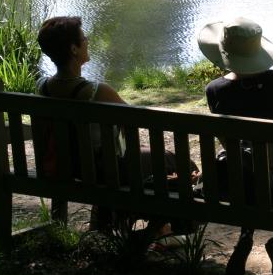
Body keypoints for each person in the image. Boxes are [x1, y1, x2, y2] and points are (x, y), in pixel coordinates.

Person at [36, 16, 196, 236]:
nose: (88, 41)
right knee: (181, 163)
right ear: (73, 49)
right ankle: (166, 230)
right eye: (84, 38)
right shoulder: (97, 91)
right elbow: (135, 121)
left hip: (65, 167)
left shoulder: (42, 87)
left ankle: (119, 224)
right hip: (102, 170)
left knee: (143, 161)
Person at [198, 16, 273, 275]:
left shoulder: (214, 90)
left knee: (247, 172)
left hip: (234, 180)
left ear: (224, 52)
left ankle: (246, 236)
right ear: (258, 51)